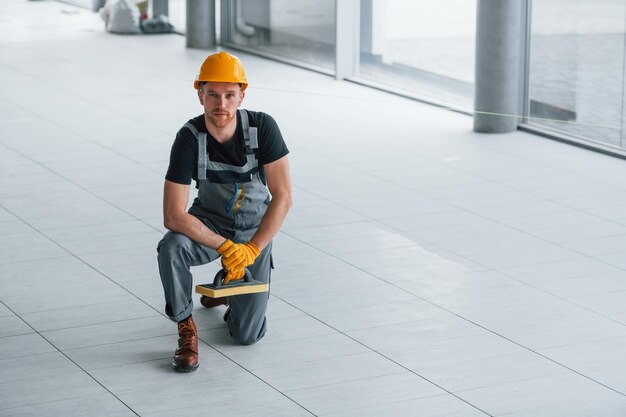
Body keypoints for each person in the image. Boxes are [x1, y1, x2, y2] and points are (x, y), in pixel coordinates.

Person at [156, 51, 292, 372]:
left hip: (253, 234)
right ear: (200, 94)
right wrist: (224, 246)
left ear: (242, 95)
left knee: (247, 336)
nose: (222, 104)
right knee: (171, 247)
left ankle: (227, 289)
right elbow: (173, 215)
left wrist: (251, 250)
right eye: (213, 94)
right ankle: (185, 327)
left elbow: (283, 197)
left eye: (230, 95)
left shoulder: (263, 128)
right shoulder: (189, 139)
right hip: (209, 225)